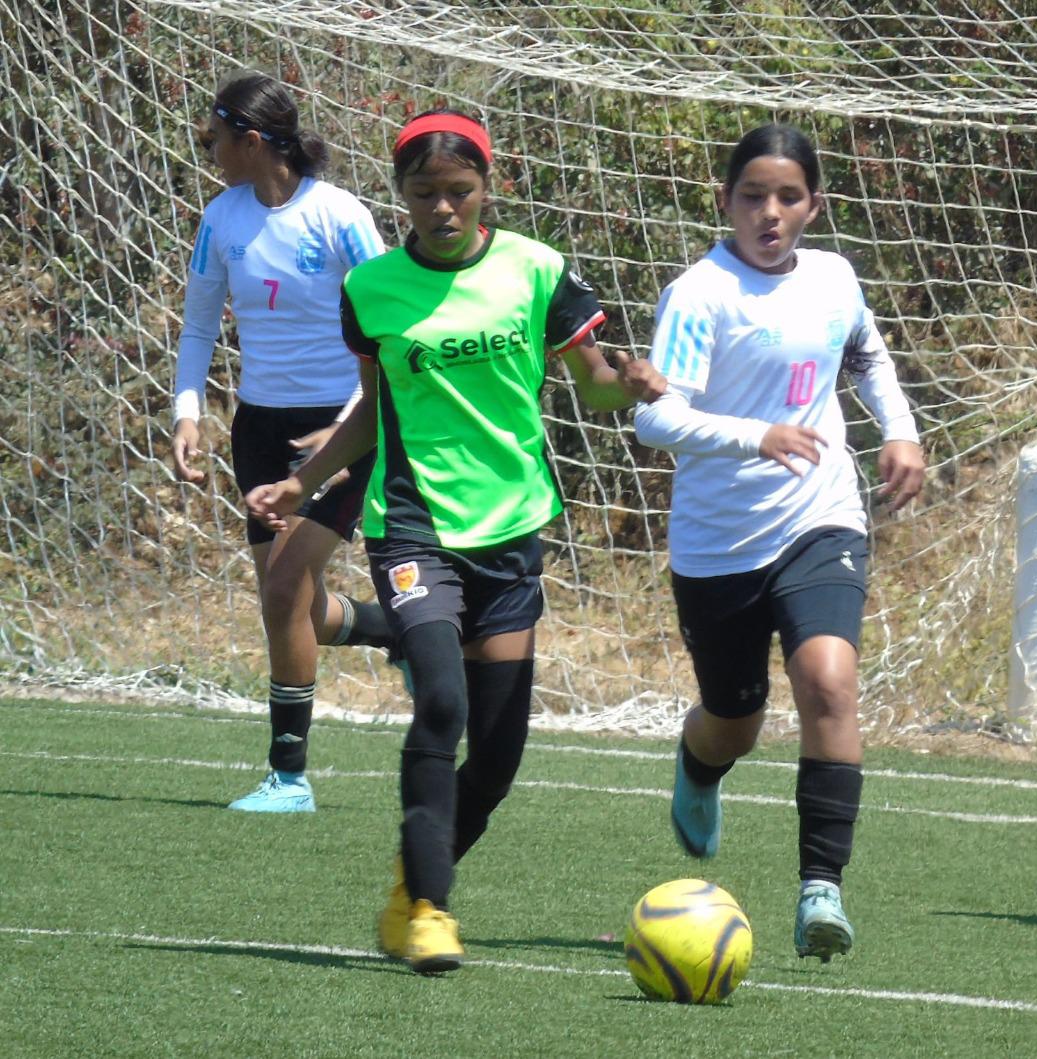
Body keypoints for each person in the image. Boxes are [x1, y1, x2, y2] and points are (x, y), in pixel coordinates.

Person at [247, 109, 665, 974]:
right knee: (441, 700)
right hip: (414, 521)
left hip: (512, 528)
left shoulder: (538, 271)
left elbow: (593, 389)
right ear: (400, 195)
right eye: (424, 193)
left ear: (489, 188)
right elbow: (374, 408)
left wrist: (631, 386)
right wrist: (306, 481)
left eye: (459, 192)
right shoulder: (373, 290)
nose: (443, 208)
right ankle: (435, 912)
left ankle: (411, 883)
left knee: (501, 757)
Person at [634, 124, 926, 963]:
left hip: (820, 513)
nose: (770, 212)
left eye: (788, 196)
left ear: (814, 205)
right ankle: (699, 763)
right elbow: (657, 415)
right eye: (753, 195)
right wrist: (753, 435)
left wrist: (899, 432)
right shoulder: (701, 292)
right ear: (723, 200)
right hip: (719, 541)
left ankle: (820, 889)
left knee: (829, 681)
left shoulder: (834, 276)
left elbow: (867, 355)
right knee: (735, 719)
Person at [171, 72, 395, 814]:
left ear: (254, 141)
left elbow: (391, 331)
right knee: (289, 601)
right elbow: (201, 323)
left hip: (340, 424)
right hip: (258, 429)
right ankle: (387, 627)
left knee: (281, 590)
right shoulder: (221, 219)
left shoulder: (340, 216)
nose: (210, 152)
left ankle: (290, 775)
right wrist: (187, 412)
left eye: (215, 139)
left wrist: (350, 421)